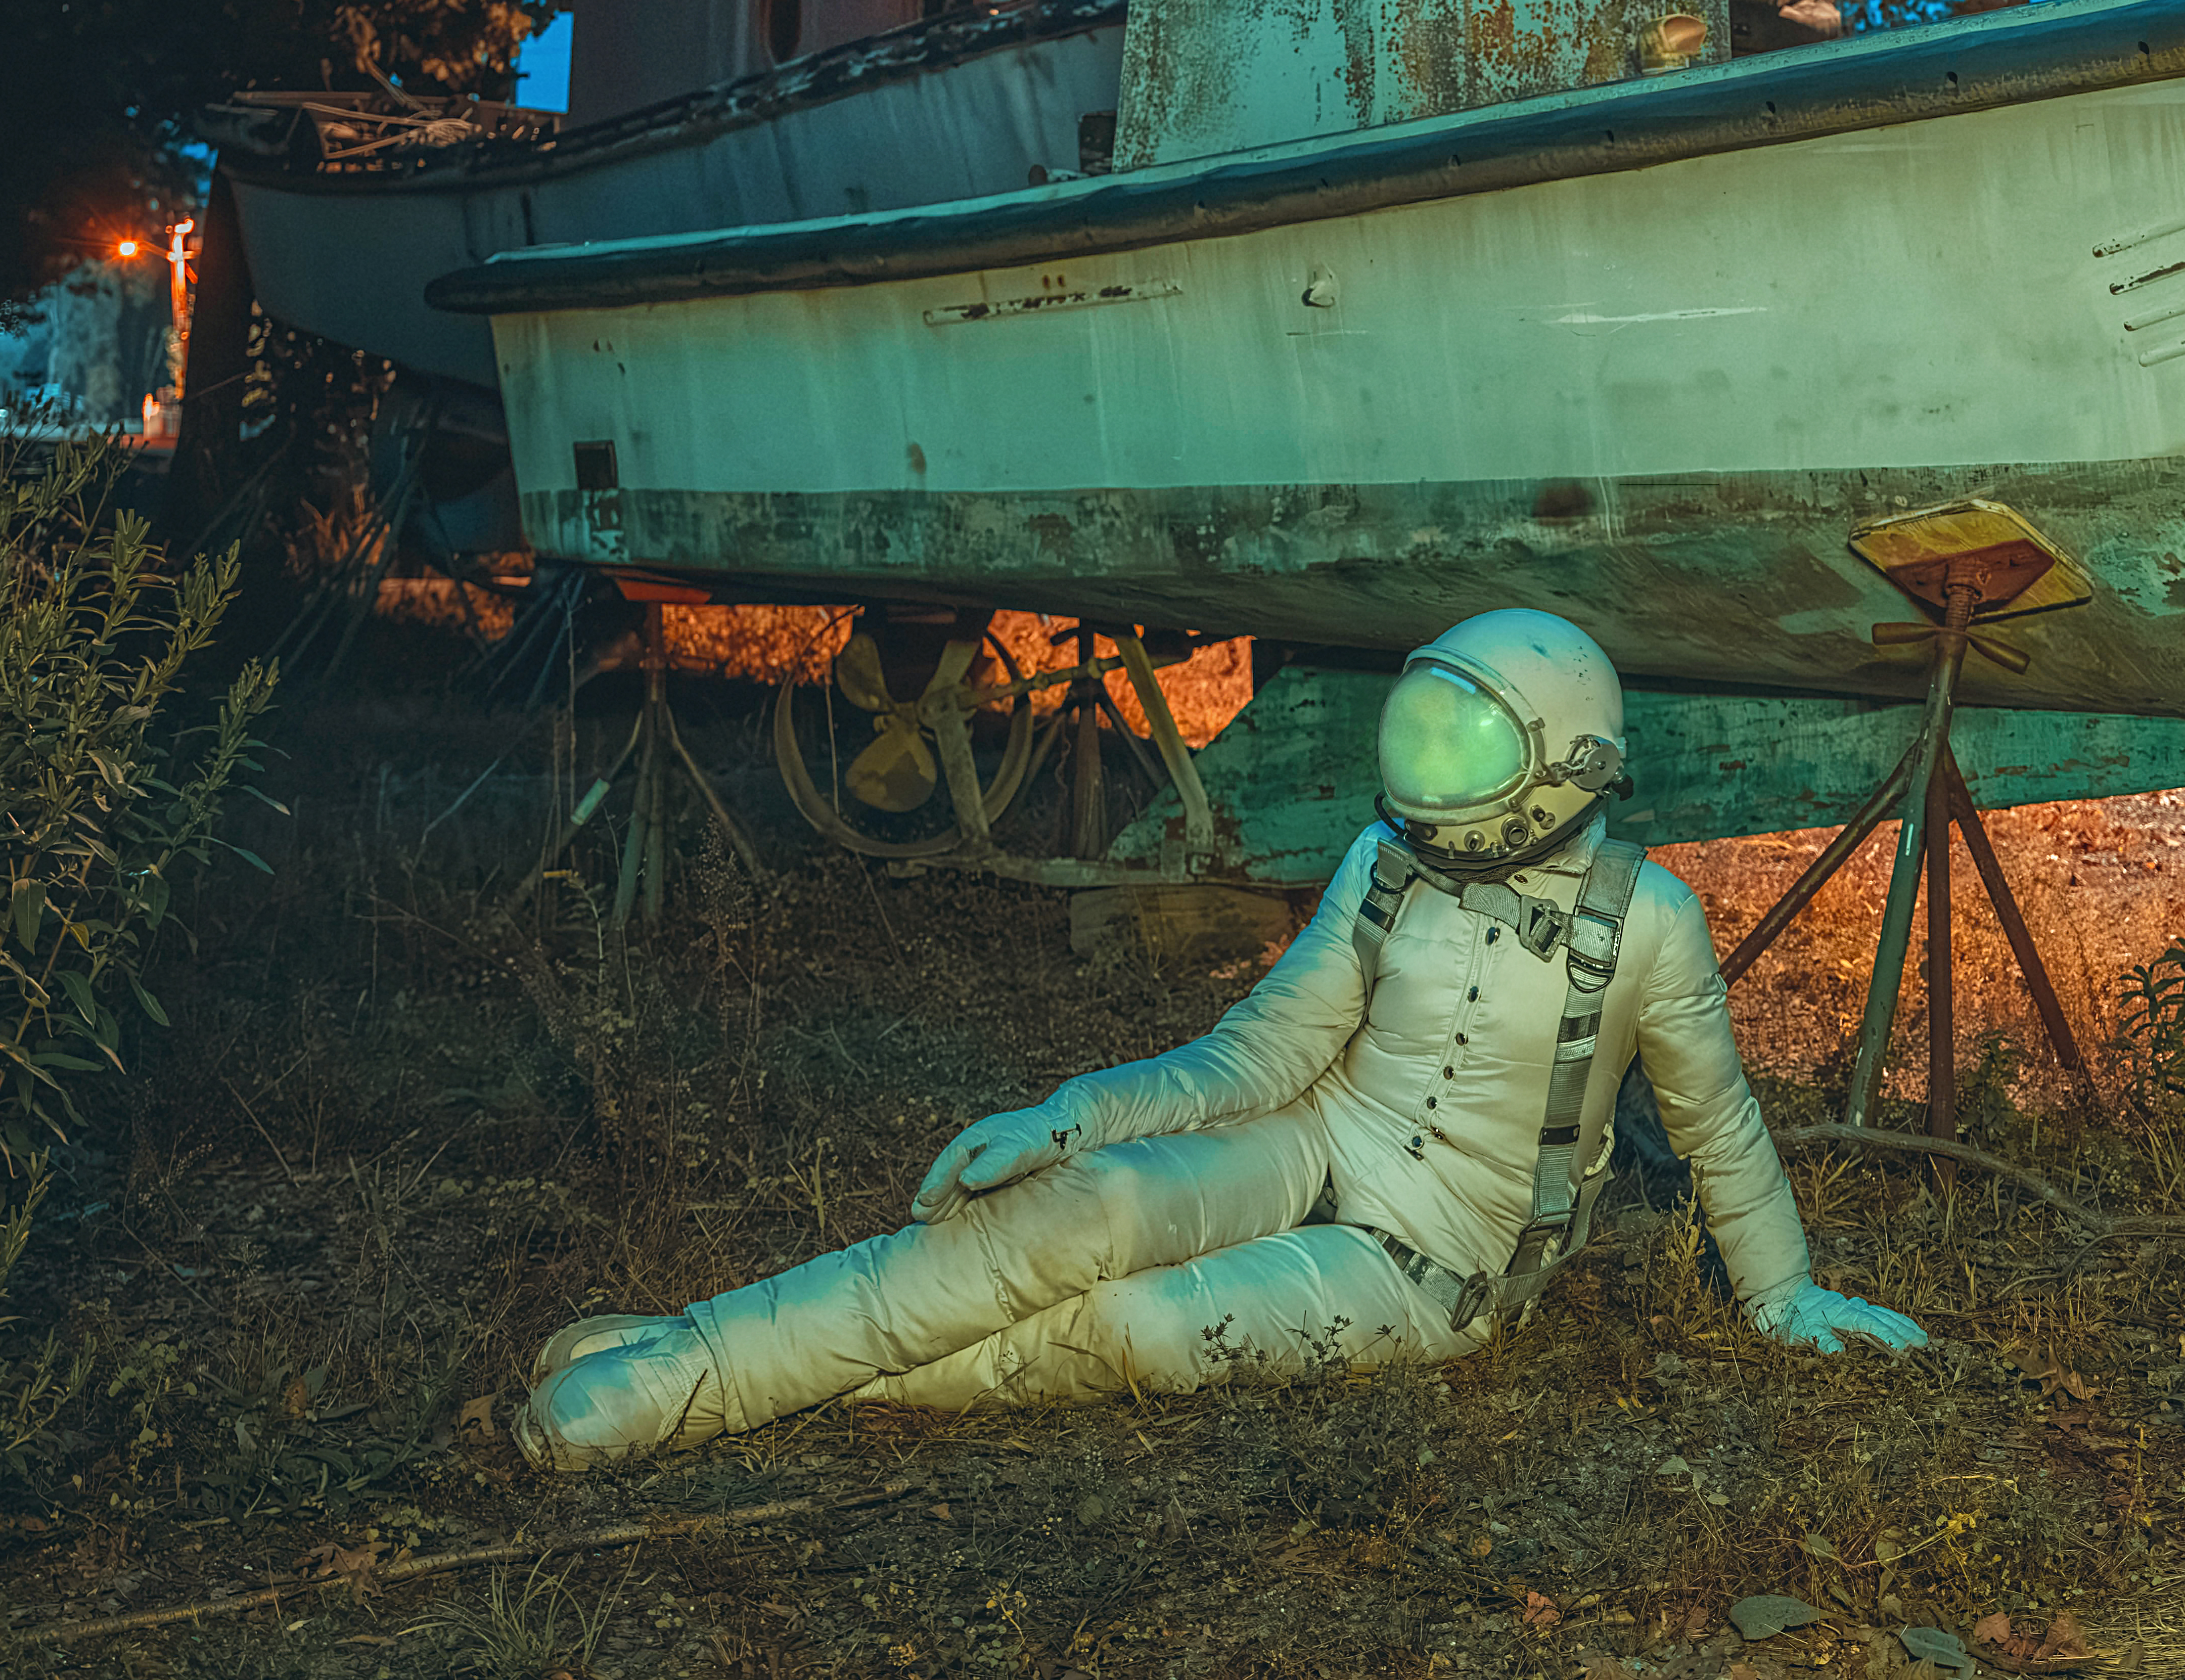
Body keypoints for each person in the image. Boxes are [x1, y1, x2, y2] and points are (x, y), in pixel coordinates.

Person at [517, 609, 1922, 1467]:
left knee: (1140, 1324)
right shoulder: (1385, 867)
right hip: (1313, 1136)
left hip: (1435, 1268)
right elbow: (1252, 1054)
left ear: (1566, 771)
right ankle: (696, 1360)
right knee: (1086, 1209)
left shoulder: (1648, 923)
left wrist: (1782, 1294)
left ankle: (723, 1377)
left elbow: (1719, 1124)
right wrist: (1070, 1119)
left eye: (1468, 754)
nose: (1432, 786)